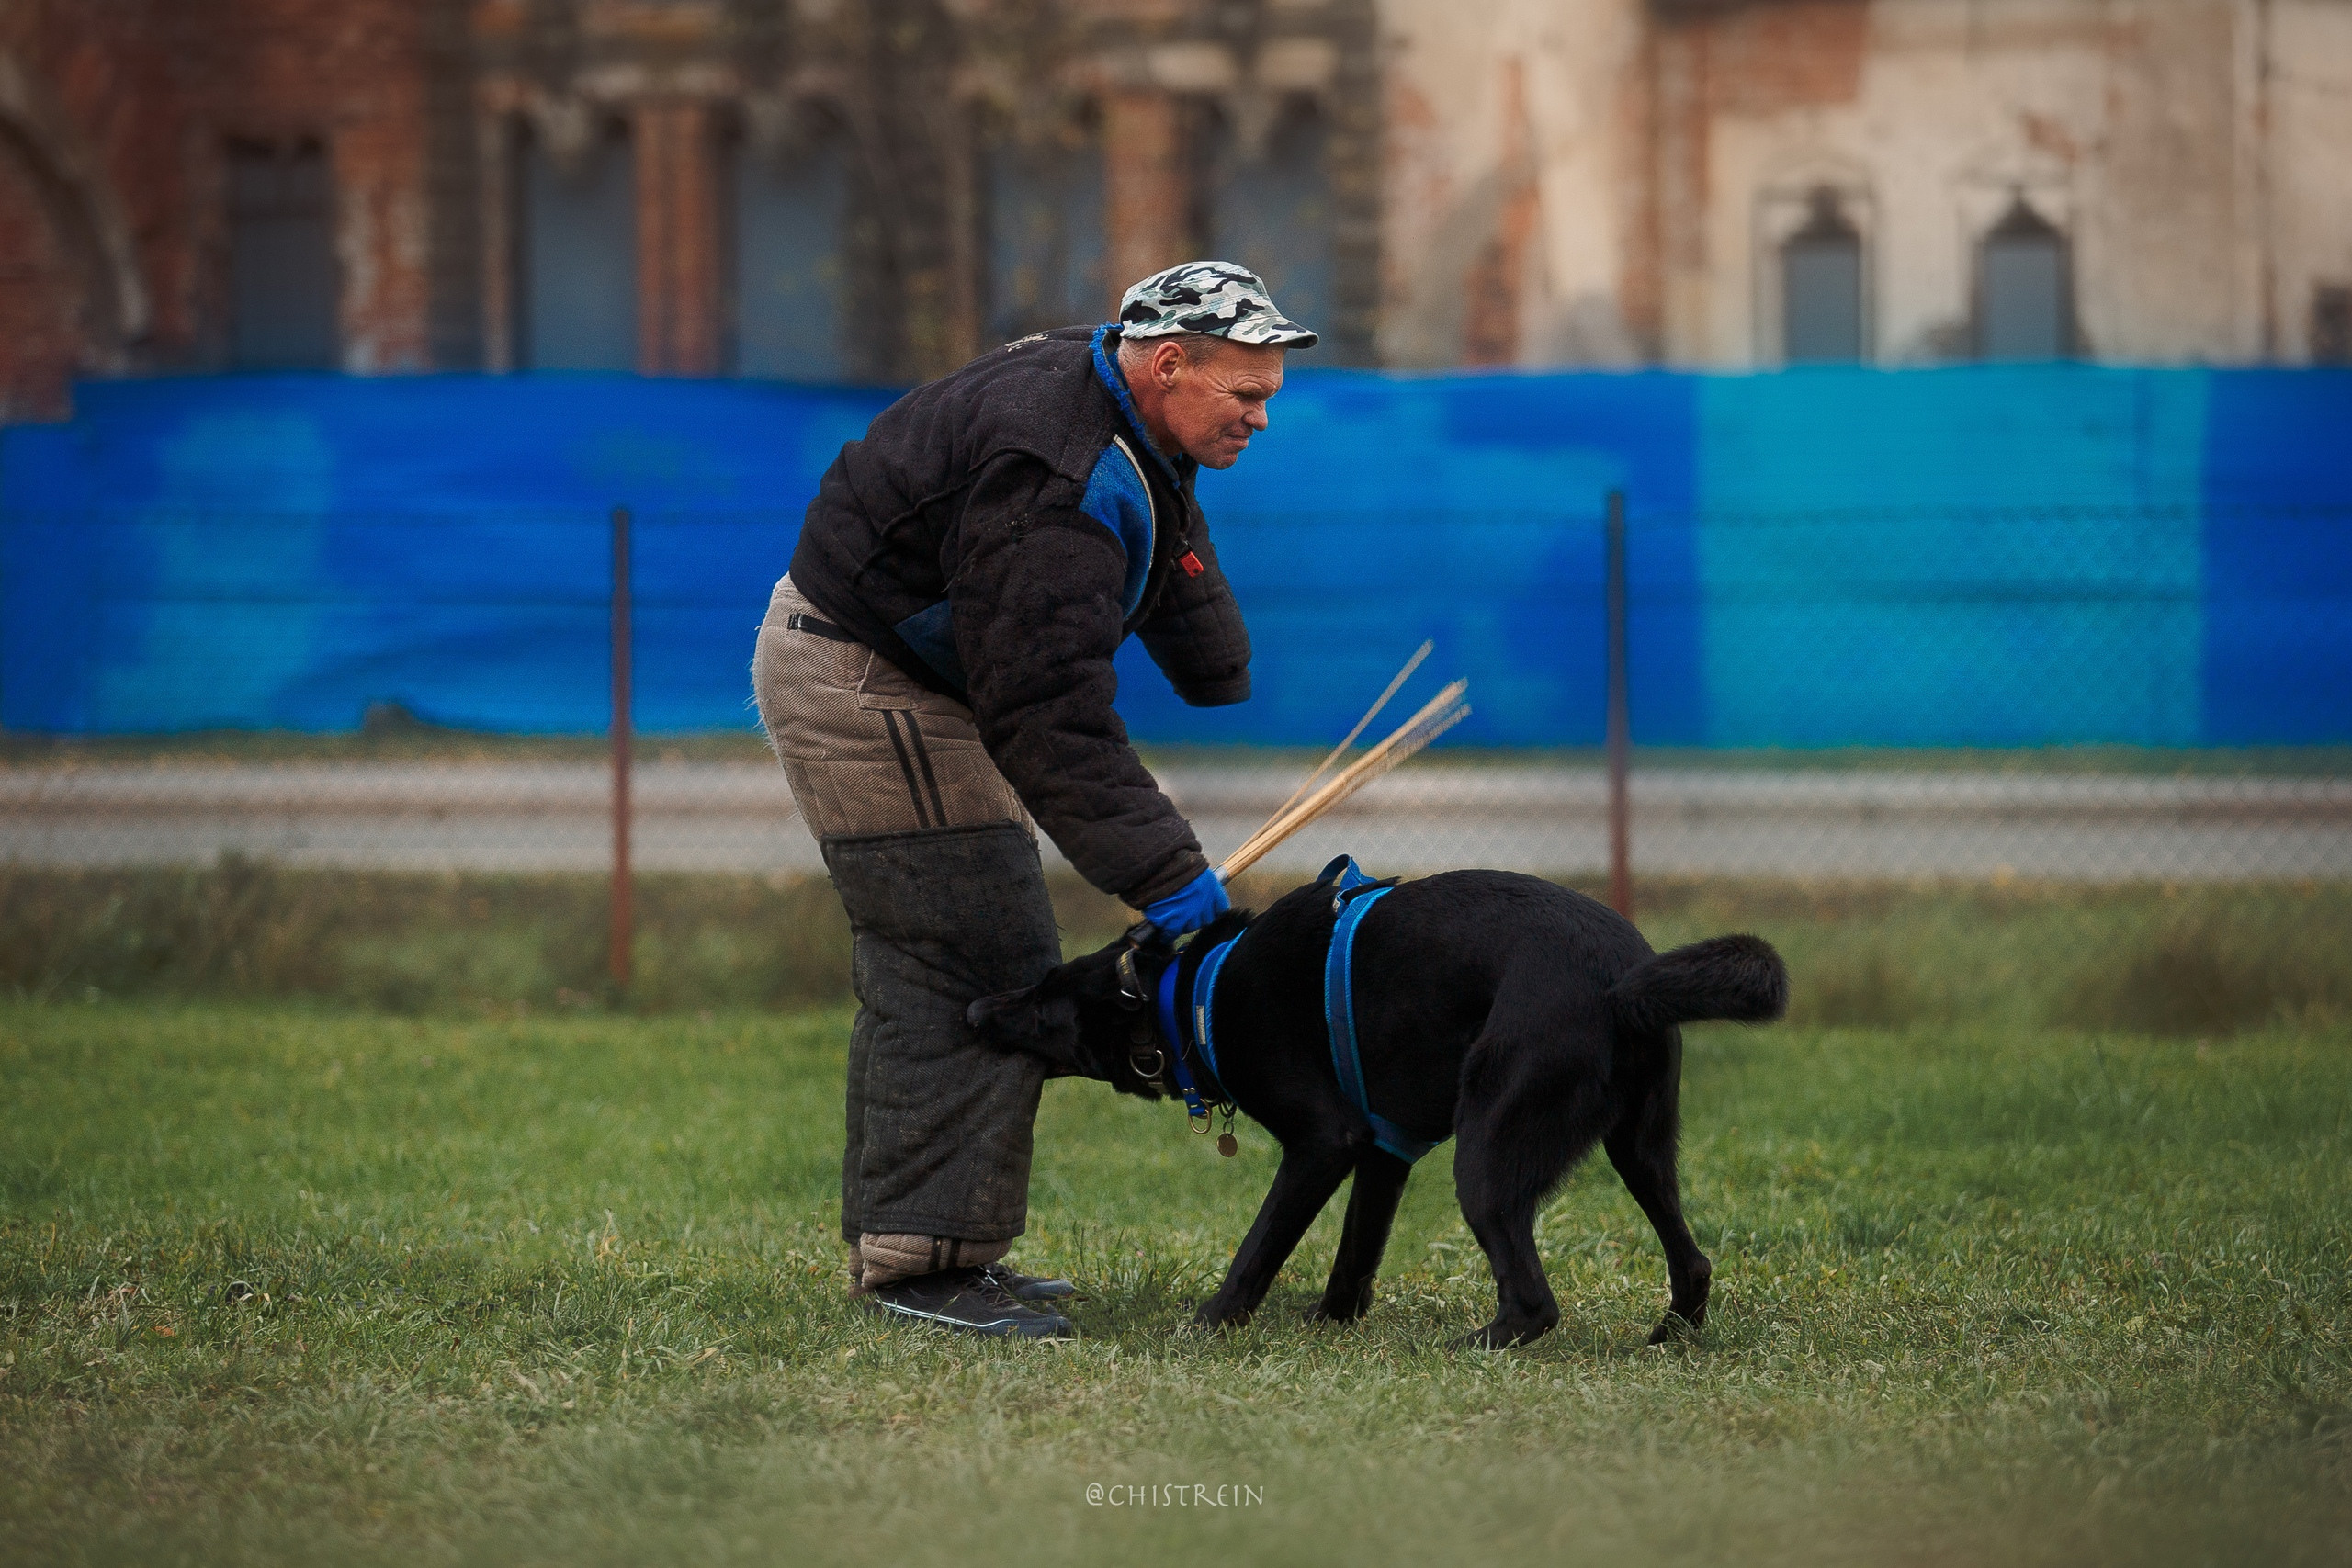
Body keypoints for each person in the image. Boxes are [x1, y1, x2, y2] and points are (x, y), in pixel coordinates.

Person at [751, 262, 1315, 1337]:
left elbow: (1168, 526)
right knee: (973, 958)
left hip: (920, 668)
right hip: (866, 678)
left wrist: (1215, 669)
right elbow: (1046, 711)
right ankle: (922, 1270)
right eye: (1245, 394)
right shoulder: (1053, 474)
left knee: (975, 948)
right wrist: (1168, 875)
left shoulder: (1116, 395)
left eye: (1268, 395)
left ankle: (932, 1249)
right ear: (1168, 363)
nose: (1260, 417)